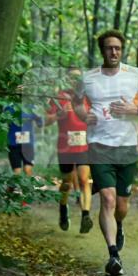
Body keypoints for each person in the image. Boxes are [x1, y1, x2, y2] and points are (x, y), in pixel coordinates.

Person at [75, 30, 138, 276]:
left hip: (127, 146)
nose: (113, 52)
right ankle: (113, 254)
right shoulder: (88, 78)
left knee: (121, 205)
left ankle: (119, 224)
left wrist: (137, 109)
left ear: (122, 50)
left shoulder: (135, 75)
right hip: (99, 145)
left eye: (117, 48)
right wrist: (82, 114)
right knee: (108, 199)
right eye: (109, 48)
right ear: (102, 50)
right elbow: (76, 102)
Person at [45, 68, 94, 233]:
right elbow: (46, 121)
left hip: (83, 146)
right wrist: (58, 115)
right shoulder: (59, 97)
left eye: (77, 78)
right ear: (66, 79)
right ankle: (63, 208)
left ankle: (85, 215)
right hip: (65, 147)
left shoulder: (87, 98)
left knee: (84, 179)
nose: (74, 80)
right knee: (66, 183)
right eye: (71, 77)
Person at [5, 103, 42, 175]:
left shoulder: (32, 107)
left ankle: (27, 185)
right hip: (14, 145)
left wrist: (39, 116)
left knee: (27, 170)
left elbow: (40, 124)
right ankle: (12, 186)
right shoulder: (9, 108)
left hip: (27, 144)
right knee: (17, 173)